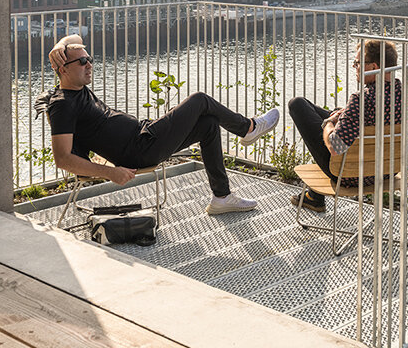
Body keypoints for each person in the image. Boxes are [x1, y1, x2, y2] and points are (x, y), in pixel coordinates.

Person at [43, 35, 279, 215]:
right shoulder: (63, 105)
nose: (89, 65)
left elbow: (75, 40)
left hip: (144, 135)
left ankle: (221, 198)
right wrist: (110, 172)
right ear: (62, 69)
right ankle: (248, 127)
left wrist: (60, 46)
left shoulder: (76, 87)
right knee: (199, 100)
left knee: (208, 124)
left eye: (90, 59)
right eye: (83, 61)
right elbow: (62, 158)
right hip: (140, 150)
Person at [288, 40, 408, 212]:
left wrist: (329, 124)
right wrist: (343, 114)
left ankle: (314, 198)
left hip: (351, 175)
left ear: (373, 66)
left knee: (297, 104)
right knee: (336, 112)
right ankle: (313, 196)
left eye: (357, 63)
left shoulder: (362, 99)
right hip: (389, 171)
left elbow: (335, 148)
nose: (354, 67)